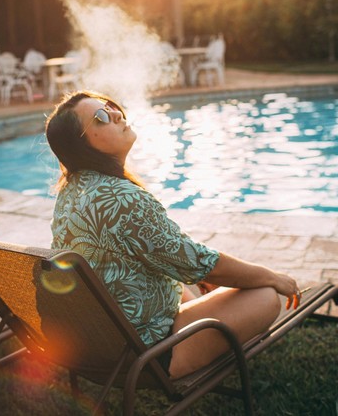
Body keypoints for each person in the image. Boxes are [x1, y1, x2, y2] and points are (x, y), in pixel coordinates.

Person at [45, 91, 302, 378]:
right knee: (265, 296)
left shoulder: (70, 192)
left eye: (110, 107)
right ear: (82, 145)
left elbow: (179, 258)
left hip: (100, 345)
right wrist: (272, 277)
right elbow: (201, 262)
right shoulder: (123, 199)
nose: (116, 114)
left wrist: (198, 272)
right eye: (101, 117)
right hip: (148, 355)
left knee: (193, 281)